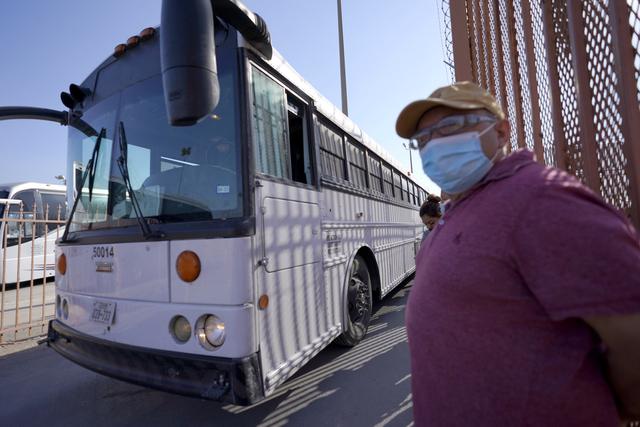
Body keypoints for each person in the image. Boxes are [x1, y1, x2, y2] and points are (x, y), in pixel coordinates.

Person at [395, 81, 640, 425]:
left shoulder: (542, 197)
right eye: (422, 140)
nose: (433, 145)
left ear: (501, 131)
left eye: (450, 127)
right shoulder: (458, 208)